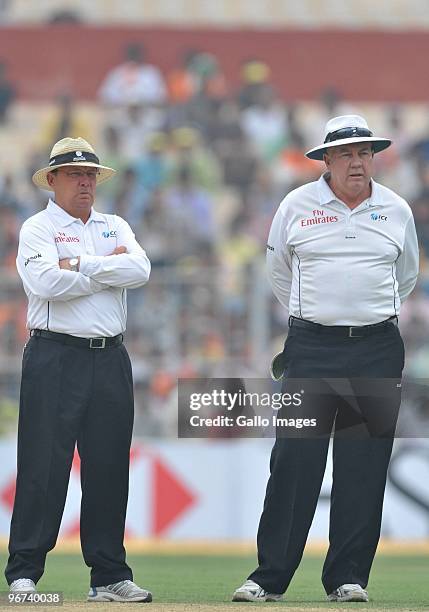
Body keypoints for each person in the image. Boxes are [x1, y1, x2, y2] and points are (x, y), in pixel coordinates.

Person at [232, 115, 419, 603]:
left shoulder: (396, 209)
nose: (357, 162)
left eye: (365, 153)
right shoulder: (296, 205)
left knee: (363, 464)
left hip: (376, 349)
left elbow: (406, 278)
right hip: (312, 348)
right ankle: (268, 577)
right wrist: (318, 319)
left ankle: (347, 577)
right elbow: (279, 273)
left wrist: (363, 315)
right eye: (347, 154)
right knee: (295, 460)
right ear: (327, 161)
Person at [5, 137, 153, 603]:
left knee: (109, 466)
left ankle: (108, 574)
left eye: (90, 174)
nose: (85, 181)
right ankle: (25, 572)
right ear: (52, 180)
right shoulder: (38, 228)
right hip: (55, 355)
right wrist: (107, 270)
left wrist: (81, 265)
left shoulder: (115, 225)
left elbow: (142, 270)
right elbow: (46, 282)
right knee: (43, 465)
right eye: (74, 174)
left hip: (110, 355)